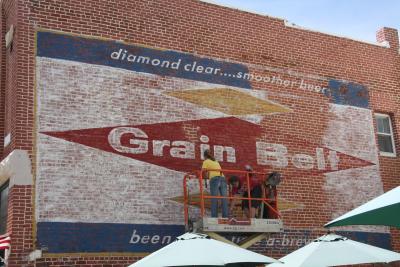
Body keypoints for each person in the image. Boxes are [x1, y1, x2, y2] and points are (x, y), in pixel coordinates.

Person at [202, 149, 228, 218]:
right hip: (222, 178)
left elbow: (203, 172)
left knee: (214, 198)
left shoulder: (206, 161)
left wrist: (206, 179)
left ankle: (214, 217)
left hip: (214, 179)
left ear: (205, 156)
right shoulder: (216, 161)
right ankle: (225, 217)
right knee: (224, 198)